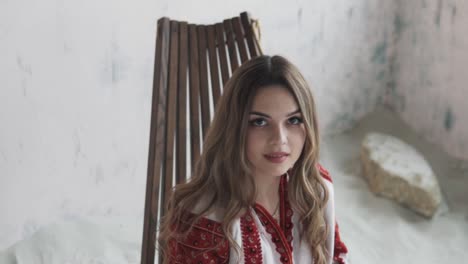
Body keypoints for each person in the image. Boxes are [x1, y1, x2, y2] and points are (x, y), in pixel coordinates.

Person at [157, 55, 348, 264]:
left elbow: (336, 257)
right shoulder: (202, 218)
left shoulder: (315, 188)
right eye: (259, 122)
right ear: (234, 128)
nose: (279, 139)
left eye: (293, 120)